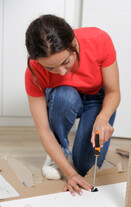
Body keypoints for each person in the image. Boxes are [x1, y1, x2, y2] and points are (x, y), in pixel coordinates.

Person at [25, 14, 120, 196]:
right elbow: (44, 130)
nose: (61, 72)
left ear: (74, 43)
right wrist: (70, 173)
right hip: (64, 97)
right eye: (50, 68)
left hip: (97, 99)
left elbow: (114, 92)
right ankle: (58, 151)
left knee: (85, 166)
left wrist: (103, 117)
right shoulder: (34, 71)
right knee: (63, 96)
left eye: (65, 62)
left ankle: (74, 155)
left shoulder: (98, 40)